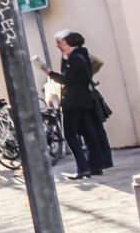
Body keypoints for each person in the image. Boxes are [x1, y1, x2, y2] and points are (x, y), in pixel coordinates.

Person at [47, 30, 111, 179]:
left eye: (60, 42)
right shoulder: (81, 56)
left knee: (70, 134)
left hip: (73, 102)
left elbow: (68, 80)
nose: (58, 46)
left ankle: (83, 167)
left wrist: (50, 73)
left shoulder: (75, 59)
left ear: (67, 42)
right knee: (89, 132)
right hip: (85, 101)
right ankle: (96, 166)